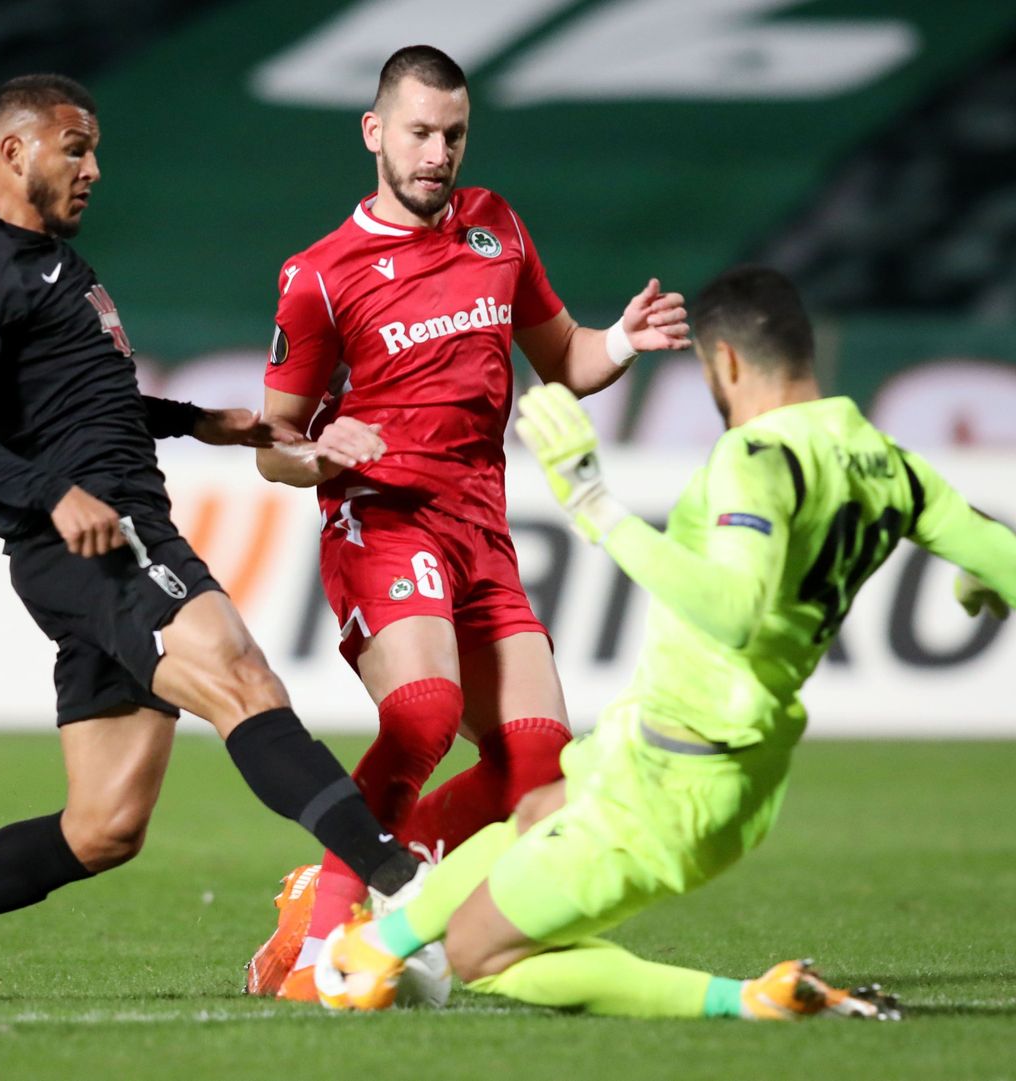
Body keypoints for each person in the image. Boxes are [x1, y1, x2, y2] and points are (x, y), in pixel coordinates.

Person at [0, 74, 424, 1005]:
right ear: (14, 152)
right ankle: (403, 887)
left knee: (105, 826)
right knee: (242, 677)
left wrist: (201, 421)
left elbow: (82, 403)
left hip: (109, 534)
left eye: (94, 150)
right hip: (97, 544)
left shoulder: (50, 266)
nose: (94, 169)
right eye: (74, 148)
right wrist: (54, 494)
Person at [317, 266, 1016, 1019]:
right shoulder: (892, 465)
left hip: (678, 777)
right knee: (540, 806)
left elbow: (735, 610)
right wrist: (978, 577)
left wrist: (592, 503)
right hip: (710, 758)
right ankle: (382, 940)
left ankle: (749, 1001)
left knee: (484, 954)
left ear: (727, 363)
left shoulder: (758, 459)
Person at [245, 45, 692, 1001]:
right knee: (423, 713)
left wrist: (620, 340)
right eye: (418, 132)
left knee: (537, 770)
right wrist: (319, 453)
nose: (437, 152)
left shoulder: (496, 229)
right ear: (374, 132)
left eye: (453, 134)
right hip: (383, 524)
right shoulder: (320, 276)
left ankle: (363, 896)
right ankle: (327, 943)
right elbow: (271, 445)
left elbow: (562, 354)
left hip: (479, 531)